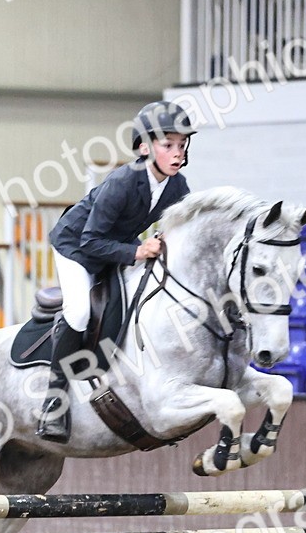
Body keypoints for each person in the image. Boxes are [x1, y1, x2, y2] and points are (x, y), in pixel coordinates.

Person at [36, 101, 197, 443]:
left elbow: (183, 229)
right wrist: (138, 250)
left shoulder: (177, 187)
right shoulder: (123, 181)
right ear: (144, 147)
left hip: (117, 247)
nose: (177, 152)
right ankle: (54, 400)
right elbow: (91, 239)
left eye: (182, 145)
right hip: (77, 247)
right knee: (79, 312)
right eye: (168, 145)